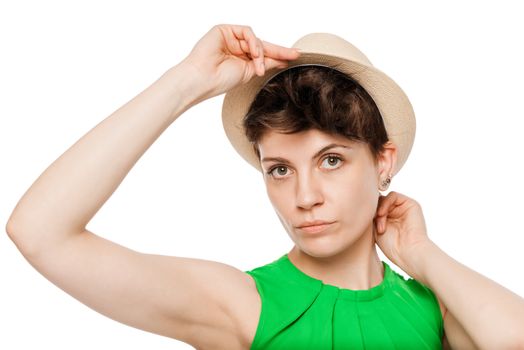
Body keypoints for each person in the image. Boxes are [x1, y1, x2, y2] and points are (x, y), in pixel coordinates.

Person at [5, 23, 524, 350]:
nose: (304, 197)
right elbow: (39, 232)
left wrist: (423, 253)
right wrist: (187, 81)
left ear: (383, 162)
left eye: (332, 160)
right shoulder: (243, 304)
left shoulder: (435, 307)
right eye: (279, 169)